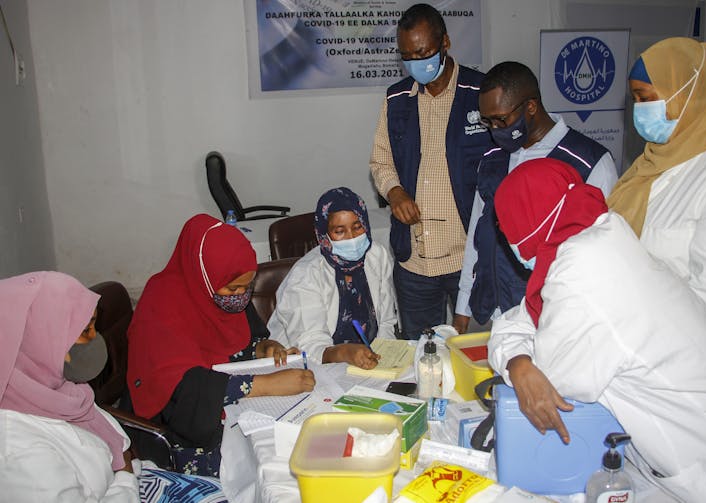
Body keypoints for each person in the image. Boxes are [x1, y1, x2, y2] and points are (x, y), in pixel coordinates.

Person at [487, 158, 706, 501]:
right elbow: (518, 321)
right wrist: (518, 361)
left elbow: (555, 384)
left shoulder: (581, 269)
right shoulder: (600, 235)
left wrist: (519, 361)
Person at [126, 214, 314, 476]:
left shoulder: (218, 292)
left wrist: (264, 348)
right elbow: (182, 388)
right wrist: (267, 384)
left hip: (227, 404)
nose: (240, 297)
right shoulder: (160, 306)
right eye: (232, 288)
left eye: (247, 288)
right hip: (178, 426)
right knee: (273, 467)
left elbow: (238, 341)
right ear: (204, 276)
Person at [452, 61, 618, 334]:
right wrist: (462, 308)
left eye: (501, 120)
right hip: (493, 311)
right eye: (488, 121)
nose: (494, 129)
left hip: (552, 318)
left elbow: (605, 251)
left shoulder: (588, 162)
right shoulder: (492, 160)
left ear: (530, 107)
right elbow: (476, 238)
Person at [608, 37, 706, 345]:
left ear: (687, 95)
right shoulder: (649, 162)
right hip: (635, 339)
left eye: (645, 97)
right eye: (635, 99)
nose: (639, 110)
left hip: (701, 352)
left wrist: (643, 340)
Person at [369, 3, 494, 339]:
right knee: (420, 358)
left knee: (479, 354)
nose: (415, 63)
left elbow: (504, 166)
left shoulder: (481, 94)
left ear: (445, 43)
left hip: (472, 261)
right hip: (415, 263)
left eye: (422, 52)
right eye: (406, 55)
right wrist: (394, 191)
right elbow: (381, 161)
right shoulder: (396, 99)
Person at [0, 271, 139, 501]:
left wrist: (126, 471)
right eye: (84, 331)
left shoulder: (59, 390)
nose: (96, 338)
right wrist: (125, 476)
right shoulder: (16, 451)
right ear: (37, 341)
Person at [268, 187, 397, 368]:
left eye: (357, 227)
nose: (351, 238)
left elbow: (386, 321)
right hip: (314, 364)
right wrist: (345, 353)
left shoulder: (377, 255)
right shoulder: (306, 275)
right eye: (339, 231)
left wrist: (386, 356)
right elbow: (309, 345)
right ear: (324, 234)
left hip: (366, 361)